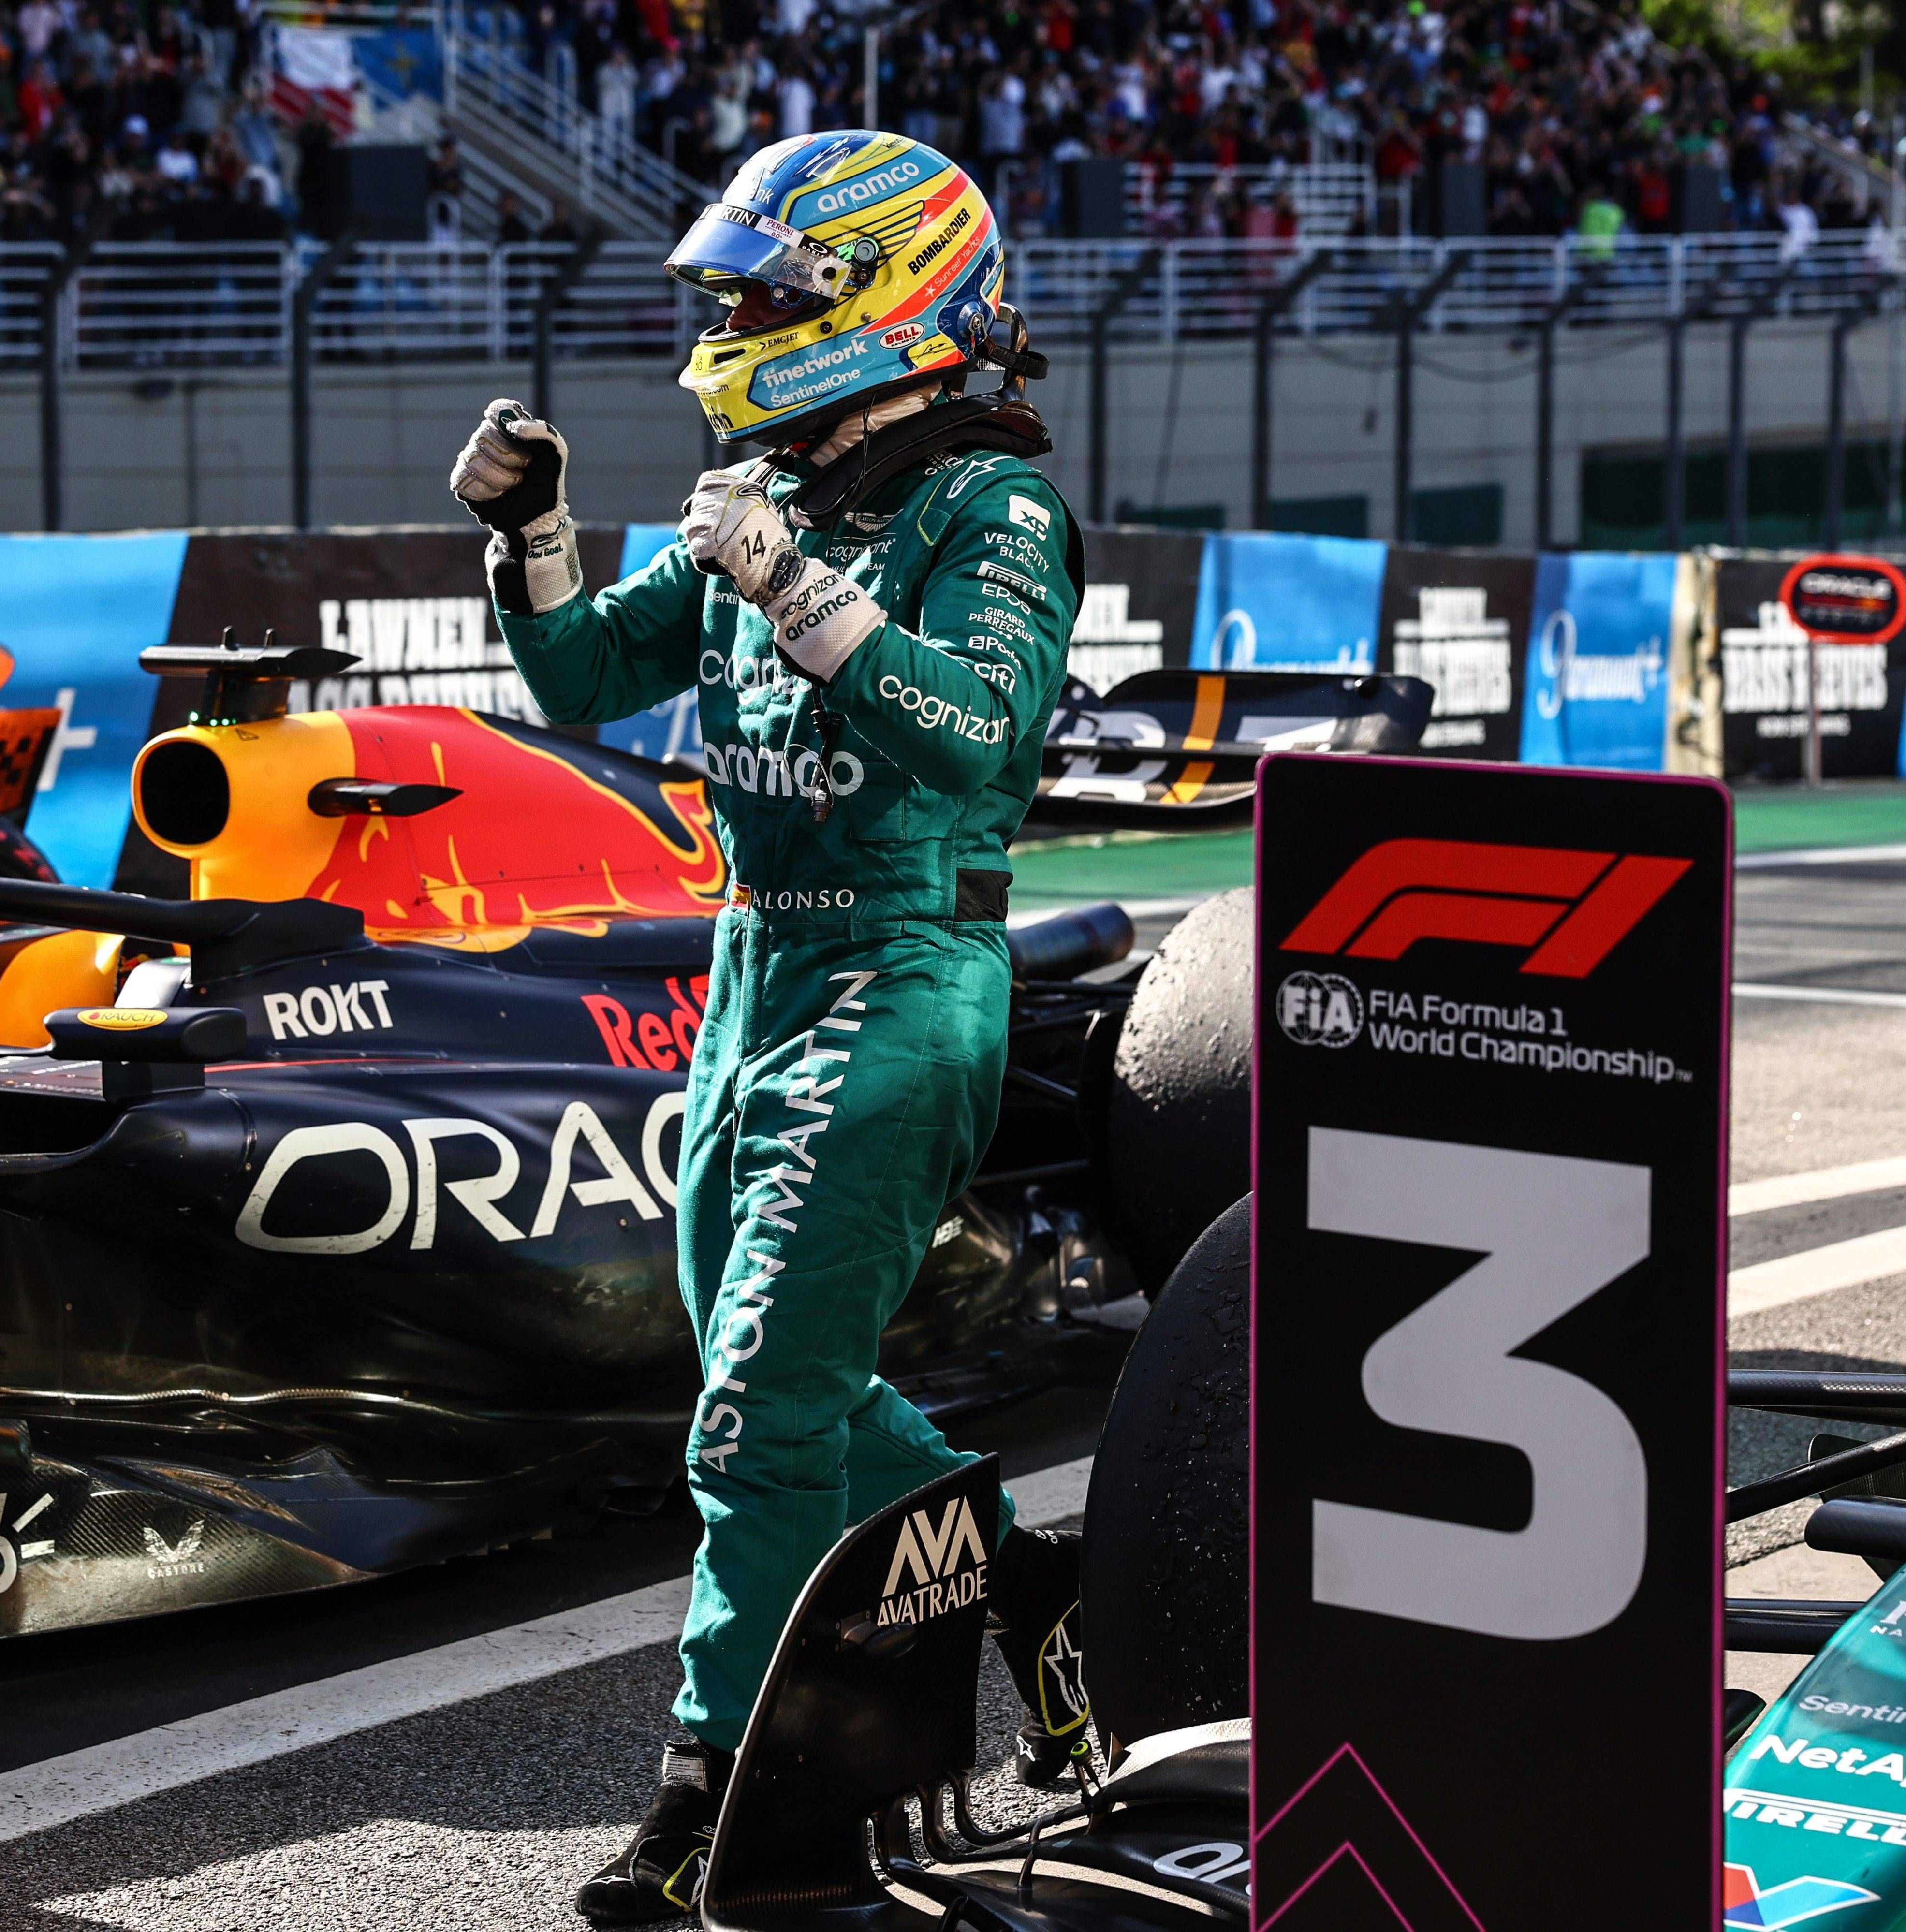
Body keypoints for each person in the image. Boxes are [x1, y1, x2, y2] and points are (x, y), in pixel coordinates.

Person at [447, 131, 1093, 1925]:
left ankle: (708, 1807)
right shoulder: (770, 485)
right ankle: (1027, 1580)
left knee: (749, 1418)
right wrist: (534, 532)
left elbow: (977, 731)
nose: (731, 322)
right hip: (751, 971)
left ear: (879, 300)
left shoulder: (993, 509)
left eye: (765, 294)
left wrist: (794, 594)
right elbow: (584, 676)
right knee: (781, 1375)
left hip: (902, 971)